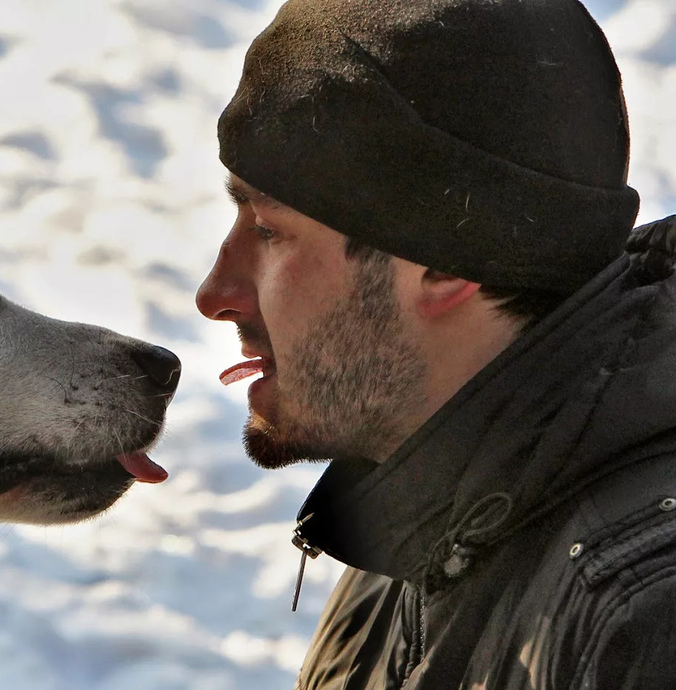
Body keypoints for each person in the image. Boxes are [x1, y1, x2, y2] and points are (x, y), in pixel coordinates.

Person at [195, 0, 676, 687]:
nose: (217, 293)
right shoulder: (421, 498)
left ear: (446, 264)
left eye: (270, 232)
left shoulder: (647, 619)